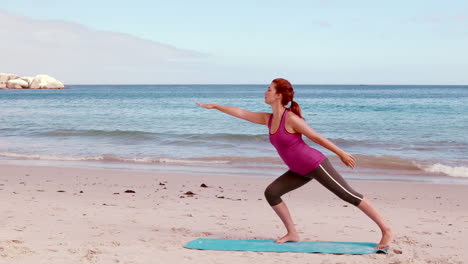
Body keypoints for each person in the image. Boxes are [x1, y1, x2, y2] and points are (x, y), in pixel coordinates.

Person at [195, 78, 395, 249]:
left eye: (269, 89)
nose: (265, 92)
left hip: (315, 164)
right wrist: (216, 106)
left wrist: (341, 153)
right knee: (272, 193)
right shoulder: (268, 118)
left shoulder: (290, 119)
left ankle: (387, 231)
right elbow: (241, 112)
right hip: (298, 170)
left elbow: (316, 137)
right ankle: (292, 233)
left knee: (348, 194)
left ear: (279, 95)